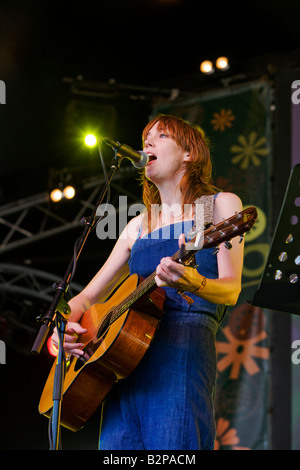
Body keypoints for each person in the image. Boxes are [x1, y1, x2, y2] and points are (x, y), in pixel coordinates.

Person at [51, 114, 244, 450]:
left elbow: (231, 290)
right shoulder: (137, 225)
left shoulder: (218, 206)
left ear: (189, 154)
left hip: (181, 347)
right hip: (121, 363)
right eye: (146, 137)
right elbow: (86, 297)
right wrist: (64, 327)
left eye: (161, 136)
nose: (147, 144)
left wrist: (193, 282)